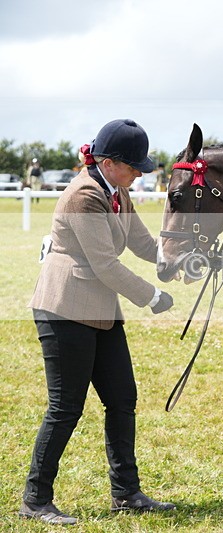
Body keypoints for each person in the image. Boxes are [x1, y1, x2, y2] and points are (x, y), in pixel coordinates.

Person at [21, 119, 177, 525]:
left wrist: (178, 260)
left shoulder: (118, 189)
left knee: (122, 398)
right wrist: (153, 297)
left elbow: (142, 242)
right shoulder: (84, 196)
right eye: (133, 166)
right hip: (65, 308)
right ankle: (36, 499)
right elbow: (105, 263)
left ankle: (126, 493)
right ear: (108, 162)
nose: (140, 173)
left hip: (100, 308)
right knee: (65, 407)